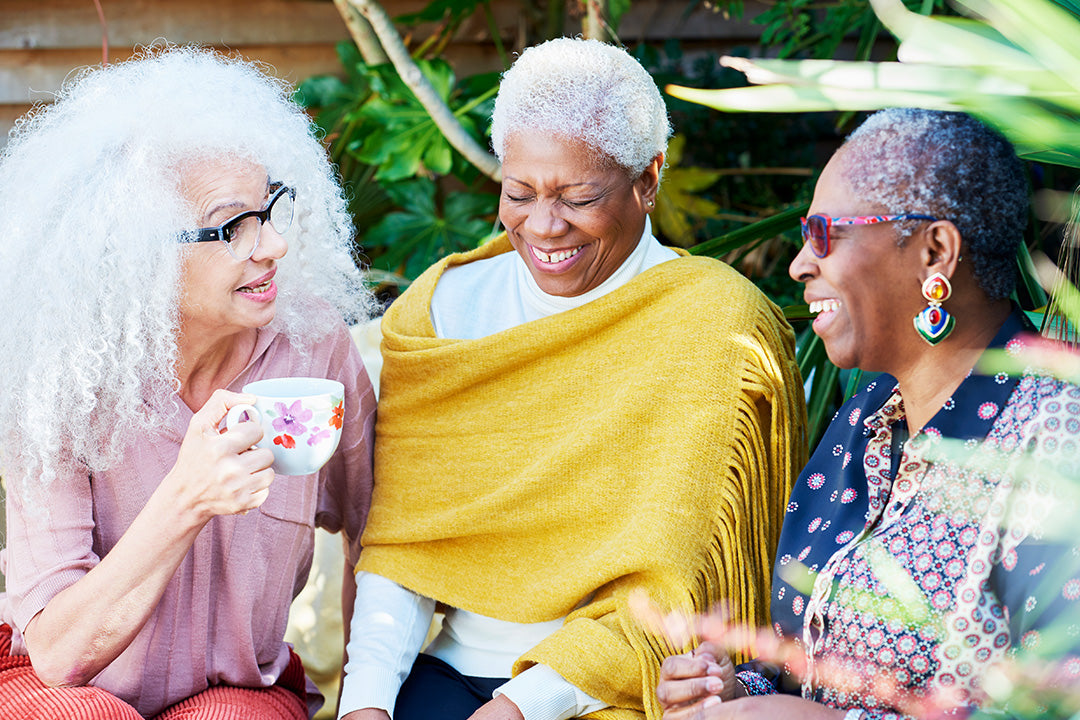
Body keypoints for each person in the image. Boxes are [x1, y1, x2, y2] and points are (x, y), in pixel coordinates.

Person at [337, 37, 807, 720]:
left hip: (619, 685)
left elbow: (675, 584)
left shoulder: (713, 321)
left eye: (578, 196)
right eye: (519, 193)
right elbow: (406, 549)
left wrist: (519, 707)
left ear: (648, 179)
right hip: (452, 670)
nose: (544, 226)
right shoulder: (441, 308)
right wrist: (365, 706)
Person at [656, 109, 1080, 719]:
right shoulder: (865, 422)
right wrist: (733, 690)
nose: (802, 263)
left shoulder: (1056, 432)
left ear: (935, 251)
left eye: (825, 233)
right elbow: (803, 674)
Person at [0, 47, 378, 719]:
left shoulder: (314, 347)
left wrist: (366, 701)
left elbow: (376, 528)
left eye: (271, 208)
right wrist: (189, 496)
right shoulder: (61, 374)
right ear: (136, 250)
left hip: (238, 689)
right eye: (235, 225)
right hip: (50, 682)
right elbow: (59, 655)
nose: (273, 246)